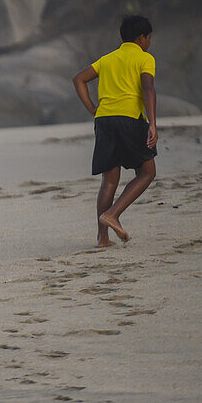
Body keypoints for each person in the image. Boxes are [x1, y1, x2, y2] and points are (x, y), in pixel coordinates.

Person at [72, 15, 158, 246]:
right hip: (129, 119)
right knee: (147, 172)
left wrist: (92, 108)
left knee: (109, 180)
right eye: (148, 37)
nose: (148, 42)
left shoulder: (108, 59)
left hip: (104, 121)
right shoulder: (144, 58)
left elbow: (78, 79)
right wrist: (152, 123)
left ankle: (102, 238)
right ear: (142, 37)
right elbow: (148, 88)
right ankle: (113, 214)